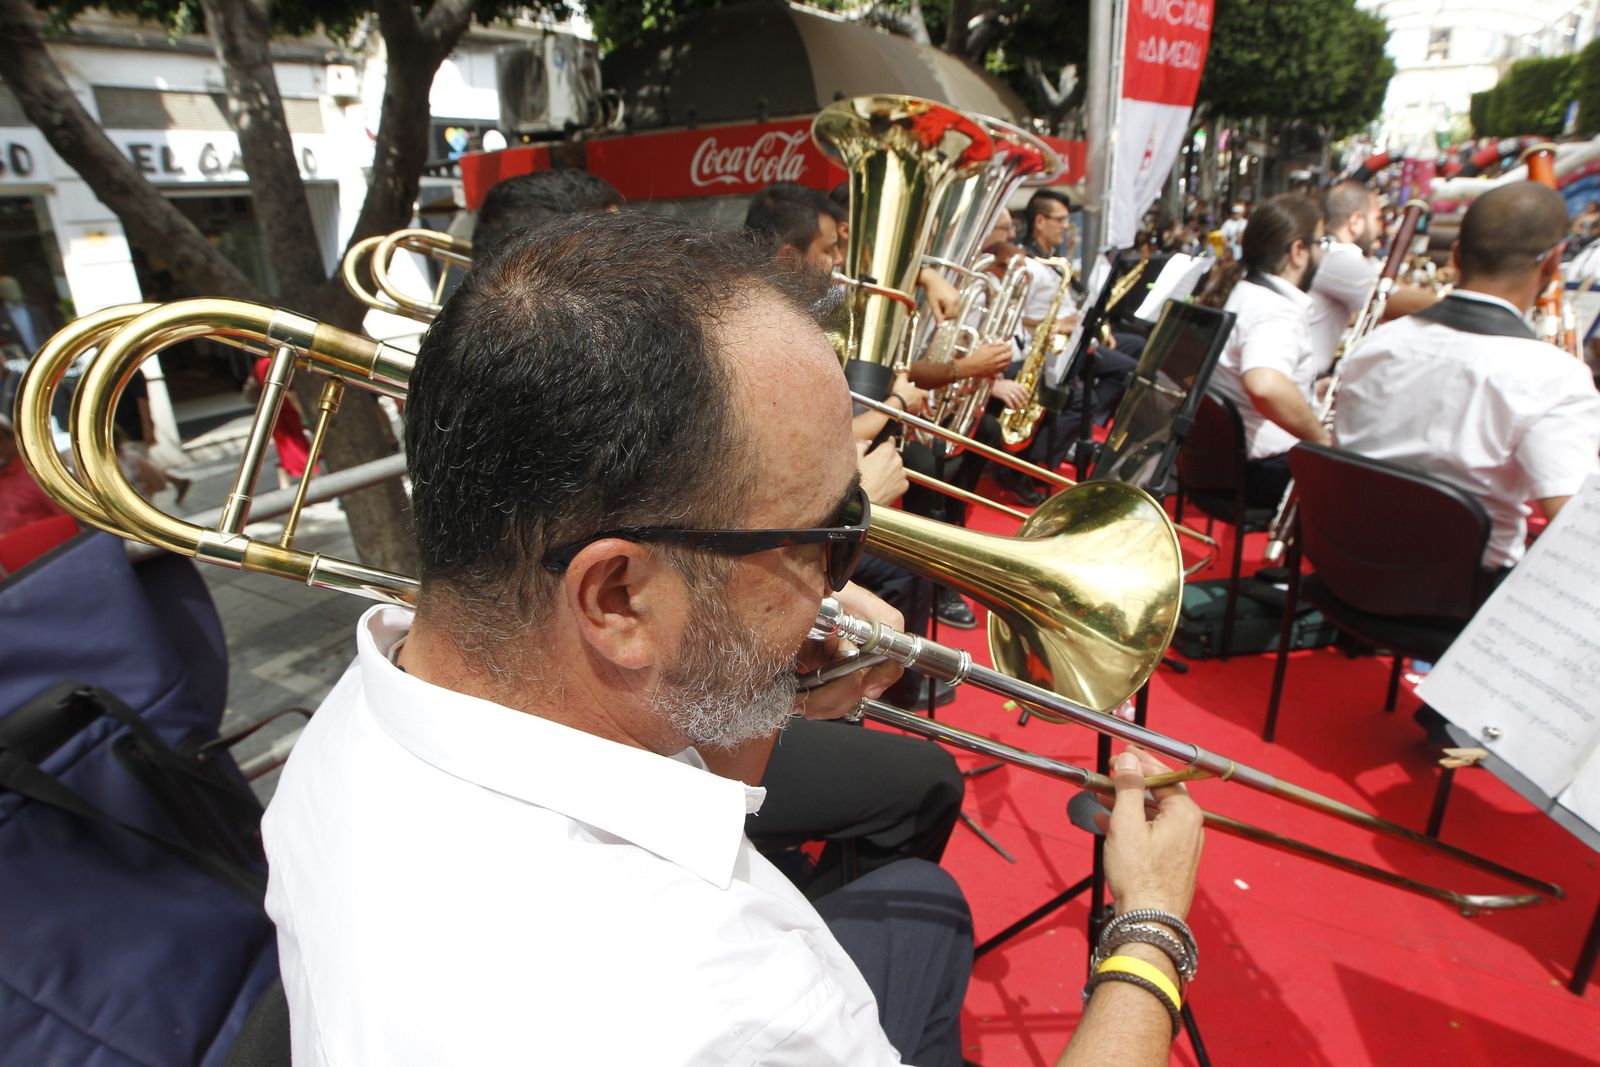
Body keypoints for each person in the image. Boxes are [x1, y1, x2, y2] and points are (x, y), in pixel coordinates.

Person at [263, 212, 1204, 1066]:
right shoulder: (736, 1008)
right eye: (834, 541)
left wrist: (746, 685)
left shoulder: (362, 706)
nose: (845, 580)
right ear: (620, 596)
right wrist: (1150, 931)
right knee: (929, 907)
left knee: (930, 913)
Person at [1337, 181, 1600, 574]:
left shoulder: (1376, 343)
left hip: (1347, 568)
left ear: (1457, 255)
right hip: (1463, 601)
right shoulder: (1556, 378)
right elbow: (1575, 525)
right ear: (1551, 265)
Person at [1195, 193, 1330, 506]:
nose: (1322, 254)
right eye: (1319, 243)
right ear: (1298, 251)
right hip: (1258, 472)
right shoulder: (1275, 308)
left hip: (1221, 465)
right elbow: (1265, 384)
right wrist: (1322, 439)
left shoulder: (1246, 291)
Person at [1307, 182, 1436, 374]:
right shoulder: (1338, 257)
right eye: (1377, 219)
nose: (1380, 228)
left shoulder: (1330, 252)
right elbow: (1401, 302)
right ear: (1356, 221)